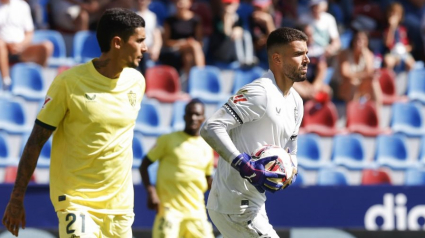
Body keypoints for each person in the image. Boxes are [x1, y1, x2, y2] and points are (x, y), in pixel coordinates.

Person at [2, 8, 147, 237]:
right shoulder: (68, 83)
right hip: (77, 201)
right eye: (139, 41)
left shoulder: (137, 82)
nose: (145, 47)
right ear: (118, 43)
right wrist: (16, 199)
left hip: (120, 206)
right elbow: (35, 142)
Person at [200, 27, 307, 237]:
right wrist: (244, 165)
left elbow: (291, 151)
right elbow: (211, 127)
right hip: (234, 204)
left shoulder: (296, 102)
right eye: (298, 54)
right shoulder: (260, 92)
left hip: (255, 204)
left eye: (306, 53)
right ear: (277, 59)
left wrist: (289, 172)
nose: (306, 60)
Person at [139, 98, 215, 238]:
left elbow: (208, 178)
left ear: (203, 118)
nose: (193, 118)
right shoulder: (167, 140)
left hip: (196, 212)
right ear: (184, 116)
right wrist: (151, 192)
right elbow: (144, 165)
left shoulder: (206, 147)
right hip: (169, 211)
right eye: (190, 114)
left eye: (197, 114)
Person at [0, 0, 53, 90]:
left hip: (22, 49)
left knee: (47, 46)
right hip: (3, 48)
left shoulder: (23, 6)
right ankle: (6, 82)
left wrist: (21, 45)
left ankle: (36, 81)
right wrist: (8, 44)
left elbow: (29, 32)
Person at [332, 30, 382, 108]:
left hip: (359, 87)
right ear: (353, 41)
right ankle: (353, 115)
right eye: (358, 39)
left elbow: (370, 74)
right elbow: (345, 74)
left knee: (374, 83)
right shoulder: (344, 53)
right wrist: (362, 76)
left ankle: (377, 113)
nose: (360, 42)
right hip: (341, 86)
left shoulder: (368, 55)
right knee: (353, 83)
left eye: (363, 39)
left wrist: (365, 55)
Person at [159, 0, 205, 77]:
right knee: (194, 46)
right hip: (174, 49)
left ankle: (190, 80)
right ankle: (201, 75)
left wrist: (189, 43)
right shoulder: (169, 21)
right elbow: (166, 42)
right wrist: (181, 43)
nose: (180, 4)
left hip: (190, 50)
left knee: (188, 56)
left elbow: (199, 41)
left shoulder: (196, 20)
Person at [208, 0, 256, 66]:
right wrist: (227, 17)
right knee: (235, 35)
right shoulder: (218, 19)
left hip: (234, 51)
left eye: (231, 4)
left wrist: (240, 30)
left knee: (246, 34)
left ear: (237, 5)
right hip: (222, 52)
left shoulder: (238, 18)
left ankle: (248, 59)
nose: (229, 6)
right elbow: (226, 33)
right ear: (222, 5)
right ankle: (241, 61)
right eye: (227, 4)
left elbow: (244, 32)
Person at [293, 23, 332, 102]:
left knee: (327, 91)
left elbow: (322, 68)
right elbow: (295, 74)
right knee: (304, 93)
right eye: (308, 35)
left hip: (312, 83)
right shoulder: (293, 52)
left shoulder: (317, 50)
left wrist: (315, 86)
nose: (311, 38)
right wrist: (309, 88)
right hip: (296, 82)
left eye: (311, 35)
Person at [382, 2, 416, 72]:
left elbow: (411, 45)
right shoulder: (387, 30)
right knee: (388, 62)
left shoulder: (404, 29)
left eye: (396, 14)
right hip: (392, 53)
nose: (393, 17)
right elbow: (387, 43)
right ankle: (389, 81)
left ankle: (408, 82)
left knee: (411, 63)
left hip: (404, 53)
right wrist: (392, 27)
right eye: (391, 14)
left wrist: (406, 49)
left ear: (400, 16)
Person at [135, 0, 163, 75]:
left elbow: (157, 35)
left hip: (149, 54)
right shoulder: (130, 15)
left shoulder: (152, 16)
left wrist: (156, 49)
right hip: (134, 53)